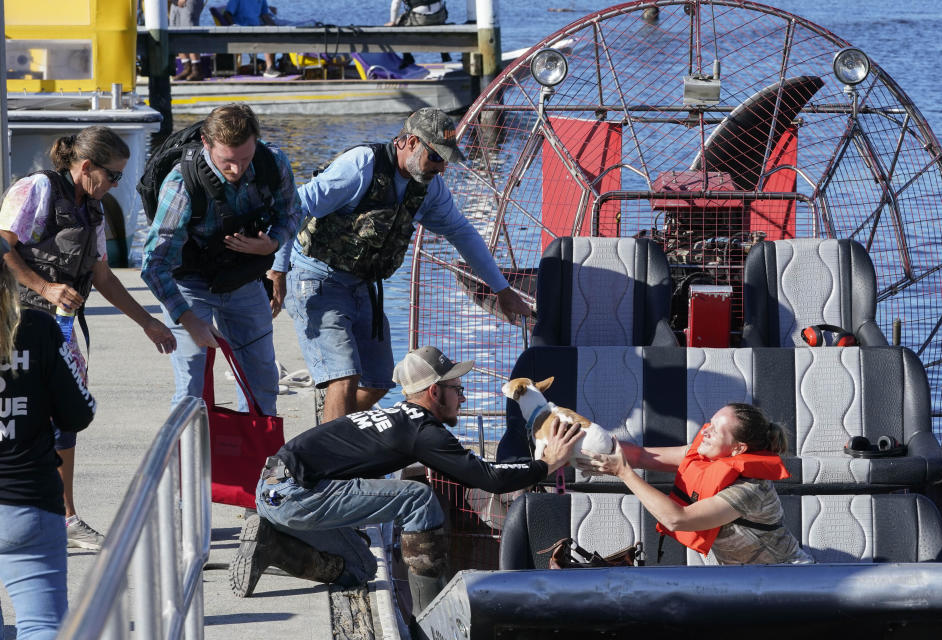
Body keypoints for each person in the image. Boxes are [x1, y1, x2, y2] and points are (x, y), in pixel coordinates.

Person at [230, 345, 584, 614]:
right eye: (456, 388)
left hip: (271, 489)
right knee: (418, 497)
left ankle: (271, 544)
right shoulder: (421, 430)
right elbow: (487, 478)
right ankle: (430, 613)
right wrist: (545, 465)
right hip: (296, 495)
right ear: (434, 392)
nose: (462, 397)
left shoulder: (395, 417)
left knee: (360, 569)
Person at [274, 107, 532, 423]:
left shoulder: (429, 188)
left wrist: (502, 289)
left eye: (446, 161)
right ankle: (334, 462)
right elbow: (294, 207)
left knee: (379, 380)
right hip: (316, 277)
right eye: (436, 156)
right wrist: (277, 269)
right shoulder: (360, 167)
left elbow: (461, 233)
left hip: (363, 285)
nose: (441, 167)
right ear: (409, 143)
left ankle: (333, 433)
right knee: (343, 376)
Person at [0, 126, 176, 551]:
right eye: (113, 175)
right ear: (85, 167)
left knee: (64, 418)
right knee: (13, 418)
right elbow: (2, 247)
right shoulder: (36, 190)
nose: (117, 184)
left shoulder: (93, 208)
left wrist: (147, 322)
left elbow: (101, 274)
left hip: (59, 331)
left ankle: (66, 519)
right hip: (14, 323)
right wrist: (45, 287)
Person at [141, 103, 300, 418]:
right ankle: (188, 462)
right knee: (192, 387)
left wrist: (272, 242)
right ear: (206, 143)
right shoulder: (181, 184)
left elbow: (292, 213)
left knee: (262, 381)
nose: (237, 170)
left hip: (242, 280)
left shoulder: (273, 162)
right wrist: (188, 320)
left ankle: (256, 462)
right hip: (187, 283)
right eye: (227, 161)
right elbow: (154, 265)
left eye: (245, 159)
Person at [0, 235, 97, 639]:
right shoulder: (37, 328)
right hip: (26, 502)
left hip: (27, 502)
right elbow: (78, 412)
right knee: (41, 626)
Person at [580, 403, 814, 565]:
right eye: (710, 423)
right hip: (751, 580)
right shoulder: (704, 456)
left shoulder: (751, 490)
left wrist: (623, 472)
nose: (706, 432)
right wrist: (582, 445)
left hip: (790, 579)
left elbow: (677, 519)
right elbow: (641, 456)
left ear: (738, 449)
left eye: (716, 431)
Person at [224, 0, 282, 77]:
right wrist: (234, 27)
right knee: (266, 35)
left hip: (255, 30)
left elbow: (265, 15)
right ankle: (269, 69)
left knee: (274, 31)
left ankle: (281, 64)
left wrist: (277, 28)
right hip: (242, 31)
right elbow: (227, 14)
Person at [386, 0, 453, 66]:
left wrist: (393, 21)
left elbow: (395, 4)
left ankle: (407, 57)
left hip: (421, 18)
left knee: (399, 24)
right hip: (440, 15)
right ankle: (444, 53)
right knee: (439, 23)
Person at [170, 0, 205, 82]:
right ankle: (186, 68)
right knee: (176, 33)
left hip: (188, 2)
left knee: (190, 32)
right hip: (174, 3)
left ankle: (196, 69)